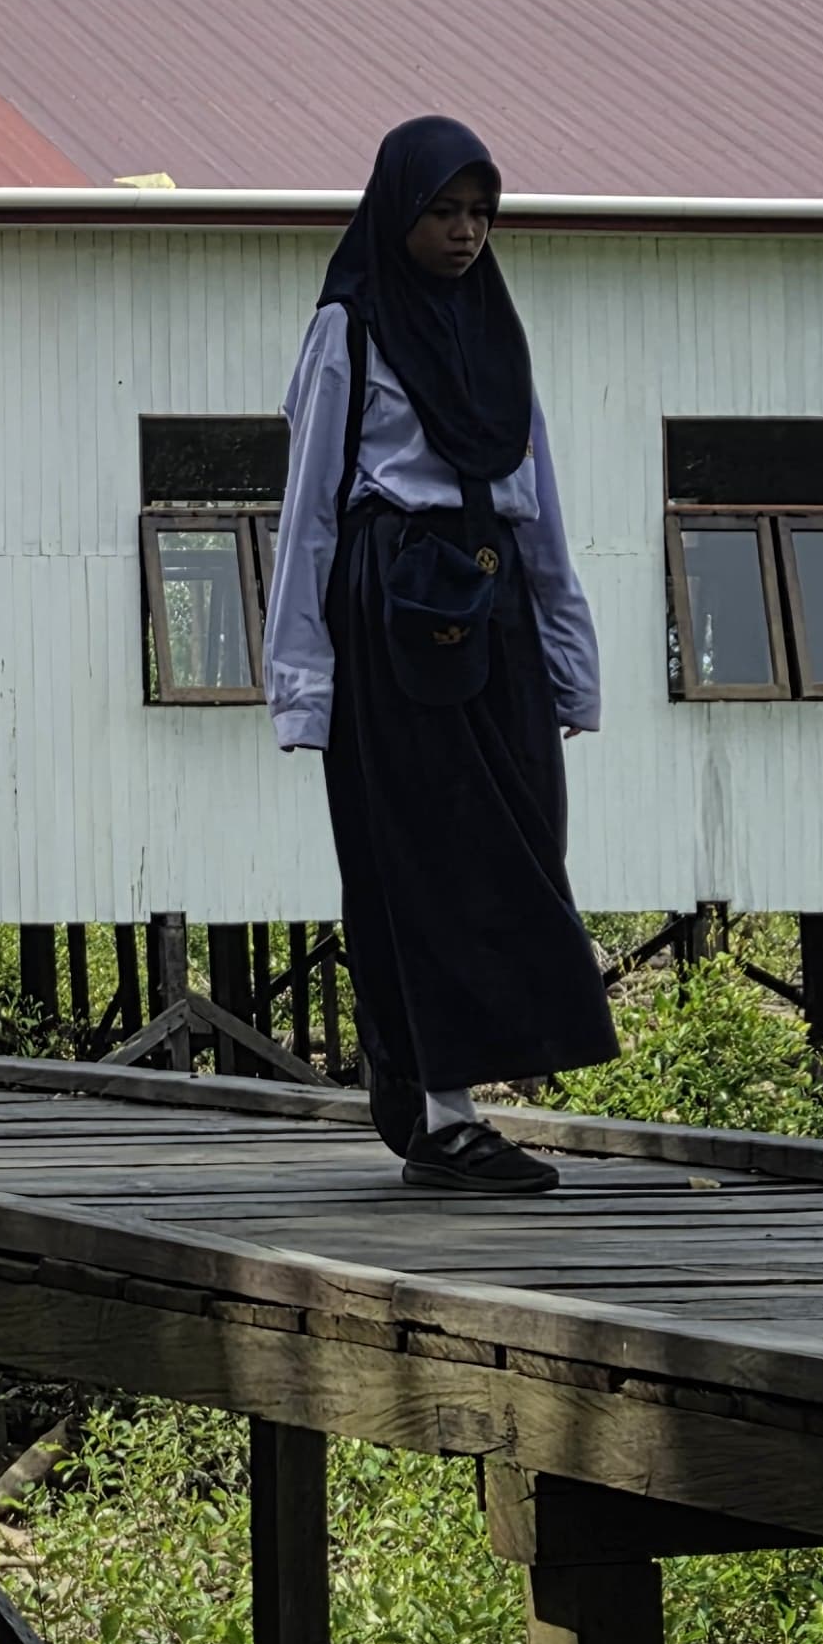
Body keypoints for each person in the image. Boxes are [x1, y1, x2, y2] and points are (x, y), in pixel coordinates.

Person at [262, 118, 615, 1195]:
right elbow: (310, 510)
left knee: (519, 846)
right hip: (392, 612)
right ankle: (445, 1115)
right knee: (422, 852)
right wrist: (302, 688)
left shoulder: (495, 335)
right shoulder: (351, 330)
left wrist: (568, 656)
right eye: (442, 213)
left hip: (493, 606)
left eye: (479, 215)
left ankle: (420, 1082)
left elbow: (538, 501)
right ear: (395, 213)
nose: (463, 236)